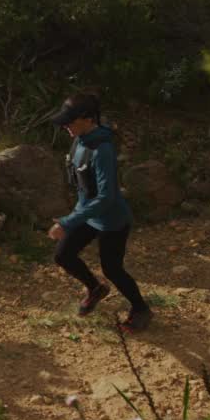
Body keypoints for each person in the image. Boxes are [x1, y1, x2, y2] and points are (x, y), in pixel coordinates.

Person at [47, 94, 152, 332]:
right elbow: (83, 188)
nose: (66, 126)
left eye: (70, 121)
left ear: (87, 119)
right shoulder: (79, 140)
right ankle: (95, 288)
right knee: (63, 255)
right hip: (88, 214)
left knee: (112, 268)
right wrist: (74, 217)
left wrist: (68, 221)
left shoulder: (103, 149)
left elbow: (106, 198)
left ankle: (141, 308)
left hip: (112, 220)